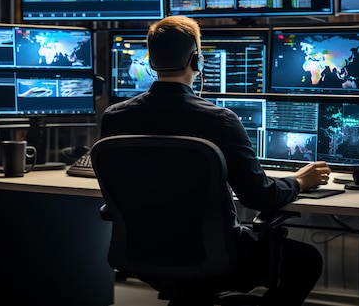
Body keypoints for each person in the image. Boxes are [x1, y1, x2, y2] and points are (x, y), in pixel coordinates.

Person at [99, 15, 331, 306]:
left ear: (150, 62)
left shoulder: (114, 117)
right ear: (197, 61)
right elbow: (259, 196)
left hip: (142, 251)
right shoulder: (219, 120)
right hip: (211, 254)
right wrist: (298, 181)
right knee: (306, 260)